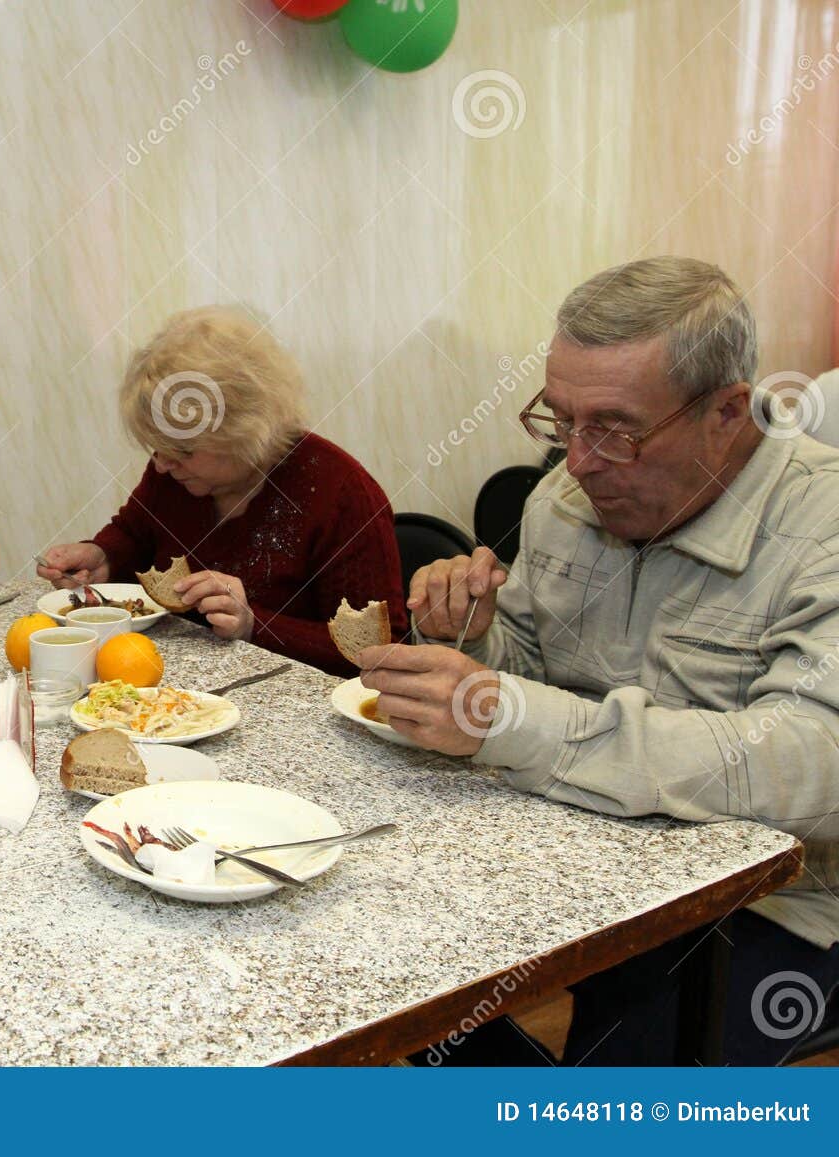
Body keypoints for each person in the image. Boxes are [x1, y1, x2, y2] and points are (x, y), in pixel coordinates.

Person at [355, 257, 839, 1064]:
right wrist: (470, 641)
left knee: (631, 1057)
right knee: (369, 916)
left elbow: (813, 766)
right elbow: (535, 670)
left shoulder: (823, 526)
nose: (576, 463)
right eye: (560, 420)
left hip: (777, 904)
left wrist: (509, 717)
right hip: (588, 845)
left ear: (729, 410)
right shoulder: (564, 505)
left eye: (615, 429)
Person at [38, 306, 406, 676]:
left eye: (182, 450)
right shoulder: (173, 475)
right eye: (156, 447)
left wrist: (253, 625)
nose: (163, 465)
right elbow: (136, 533)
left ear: (244, 430)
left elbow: (383, 654)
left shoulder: (340, 493)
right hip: (178, 687)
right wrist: (104, 555)